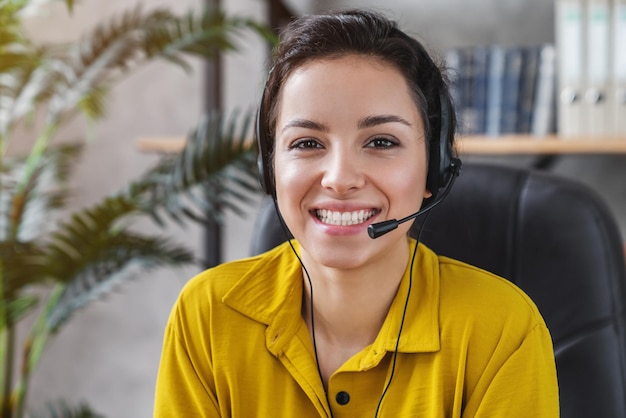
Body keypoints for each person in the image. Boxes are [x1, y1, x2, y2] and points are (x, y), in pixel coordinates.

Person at [154, 9, 559, 417]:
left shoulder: (502, 329)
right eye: (307, 143)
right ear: (269, 167)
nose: (340, 178)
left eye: (381, 142)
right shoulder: (208, 315)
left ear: (434, 167)